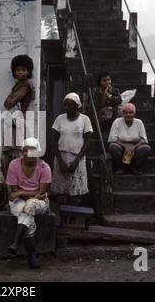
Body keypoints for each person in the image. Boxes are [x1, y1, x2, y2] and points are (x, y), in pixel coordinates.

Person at [6, 138, 51, 269]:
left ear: (38, 153)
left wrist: (20, 193)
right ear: (22, 152)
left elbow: (41, 193)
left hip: (39, 203)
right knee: (24, 211)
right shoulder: (14, 165)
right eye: (25, 150)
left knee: (30, 205)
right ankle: (31, 255)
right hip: (20, 201)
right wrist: (22, 194)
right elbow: (14, 189)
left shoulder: (44, 167)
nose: (28, 154)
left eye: (32, 151)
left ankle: (15, 242)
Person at [51, 93, 93, 223]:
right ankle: (63, 217)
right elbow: (53, 141)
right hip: (61, 157)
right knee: (62, 191)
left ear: (77, 106)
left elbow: (86, 143)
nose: (66, 107)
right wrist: (60, 161)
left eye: (69, 105)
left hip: (77, 158)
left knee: (76, 191)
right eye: (65, 105)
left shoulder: (84, 120)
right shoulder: (59, 119)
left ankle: (73, 218)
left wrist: (76, 161)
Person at [1, 55, 36, 180]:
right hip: (14, 122)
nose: (20, 72)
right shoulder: (18, 85)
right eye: (18, 70)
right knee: (11, 153)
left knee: (20, 151)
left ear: (28, 71)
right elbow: (6, 102)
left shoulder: (26, 85)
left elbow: (10, 102)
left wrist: (11, 100)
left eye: (23, 69)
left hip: (21, 122)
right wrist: (10, 100)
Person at [108, 103, 151, 175]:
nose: (128, 115)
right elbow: (113, 138)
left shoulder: (139, 122)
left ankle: (134, 167)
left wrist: (134, 147)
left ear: (134, 114)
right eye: (125, 113)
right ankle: (121, 167)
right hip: (121, 146)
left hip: (135, 146)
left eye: (130, 112)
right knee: (113, 147)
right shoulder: (117, 122)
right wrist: (125, 147)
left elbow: (144, 140)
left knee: (146, 148)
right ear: (123, 114)